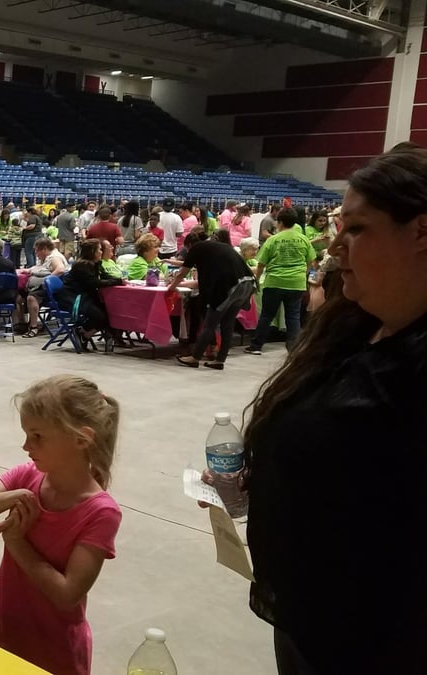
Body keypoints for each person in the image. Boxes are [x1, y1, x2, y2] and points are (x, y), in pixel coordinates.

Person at [221, 145, 427, 673]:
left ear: (420, 232)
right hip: (309, 617)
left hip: (379, 639)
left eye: (356, 229)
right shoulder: (352, 323)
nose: (334, 246)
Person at [0, 375, 121, 675]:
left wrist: (16, 542)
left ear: (81, 439)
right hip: (1, 631)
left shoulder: (100, 512)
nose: (26, 445)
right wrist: (13, 496)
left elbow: (67, 595)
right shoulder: (27, 477)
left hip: (52, 653)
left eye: (38, 436)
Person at [168, 230, 256, 369]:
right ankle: (220, 360)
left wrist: (171, 288)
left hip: (229, 287)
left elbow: (182, 273)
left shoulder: (196, 248)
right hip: (247, 283)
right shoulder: (218, 247)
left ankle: (194, 357)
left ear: (190, 244)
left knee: (210, 323)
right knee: (227, 324)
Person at [245, 207, 315, 355]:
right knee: (293, 316)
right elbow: (311, 261)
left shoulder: (273, 240)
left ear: (280, 222)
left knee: (267, 315)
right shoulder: (303, 239)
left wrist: (256, 281)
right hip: (296, 283)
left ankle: (256, 346)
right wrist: (302, 273)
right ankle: (293, 348)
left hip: (274, 282)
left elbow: (261, 264)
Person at [55, 239, 124, 337]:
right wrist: (117, 281)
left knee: (112, 310)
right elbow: (94, 283)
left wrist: (120, 280)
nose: (101, 252)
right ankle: (82, 332)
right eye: (100, 250)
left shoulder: (95, 263)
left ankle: (88, 334)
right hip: (74, 298)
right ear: (92, 252)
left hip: (86, 296)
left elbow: (105, 276)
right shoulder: (83, 265)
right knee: (101, 316)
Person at [17, 238, 68, 338]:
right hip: (39, 287)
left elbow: (60, 270)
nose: (36, 254)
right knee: (18, 296)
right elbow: (39, 268)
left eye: (37, 251)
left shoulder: (54, 258)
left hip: (51, 290)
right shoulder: (45, 258)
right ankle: (22, 324)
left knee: (31, 297)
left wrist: (47, 281)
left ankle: (33, 327)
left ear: (44, 249)